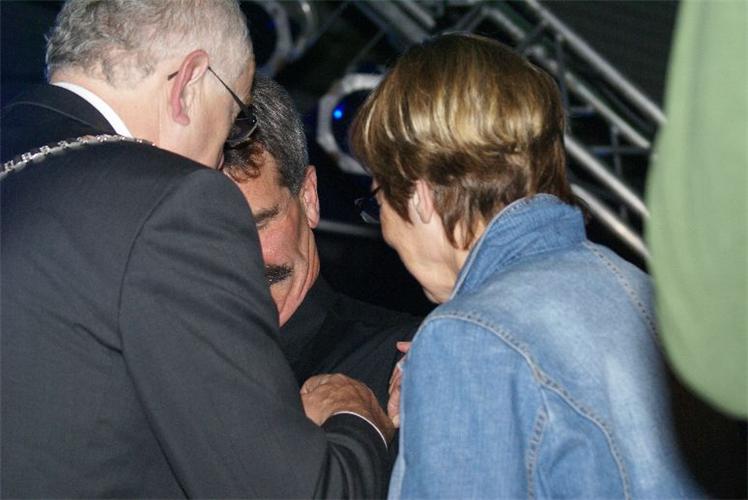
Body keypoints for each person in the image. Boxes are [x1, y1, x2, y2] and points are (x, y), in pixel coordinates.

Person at [1, 1, 392, 497]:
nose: (220, 158)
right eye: (234, 116)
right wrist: (357, 417)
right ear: (188, 82)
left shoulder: (22, 163)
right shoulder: (172, 200)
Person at [350, 33, 701, 498]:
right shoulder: (642, 291)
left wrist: (455, 363)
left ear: (419, 193)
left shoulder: (469, 338)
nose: (385, 231)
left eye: (378, 199)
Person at [222, 75, 419, 409]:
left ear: (309, 198)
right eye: (210, 231)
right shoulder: (151, 354)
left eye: (259, 224)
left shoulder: (398, 365)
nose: (239, 256)